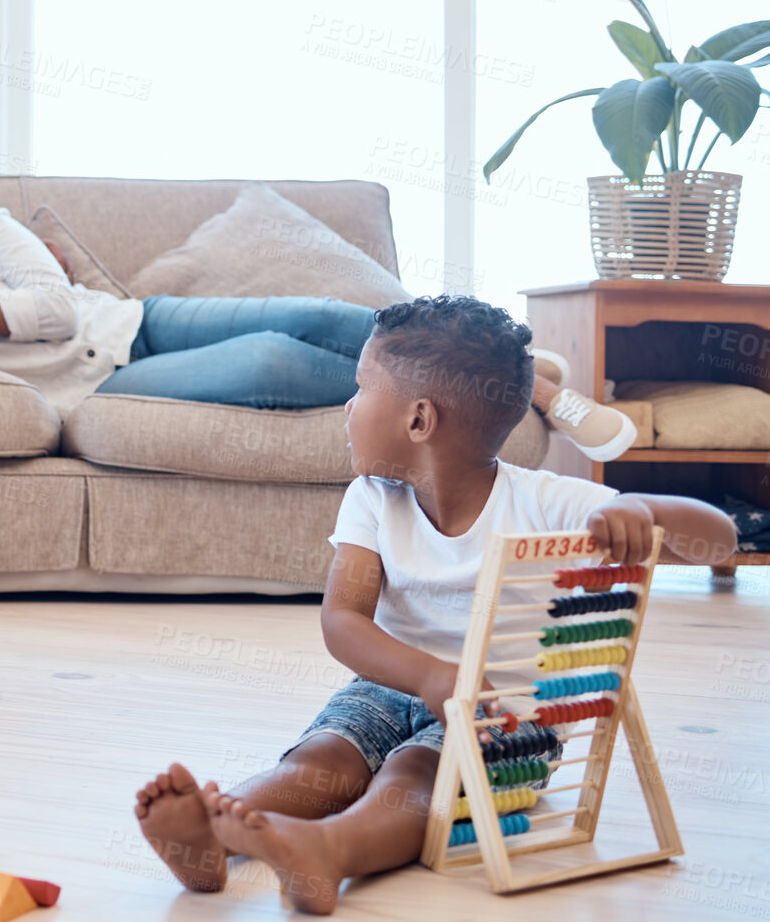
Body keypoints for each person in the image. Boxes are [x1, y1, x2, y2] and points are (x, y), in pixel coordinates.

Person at [130, 296, 736, 915]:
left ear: (418, 420)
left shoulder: (545, 500)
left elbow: (720, 538)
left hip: (504, 713)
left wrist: (643, 510)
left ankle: (331, 851)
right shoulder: (371, 497)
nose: (347, 406)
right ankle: (210, 832)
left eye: (362, 388)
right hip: (390, 687)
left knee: (414, 780)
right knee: (323, 760)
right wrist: (428, 678)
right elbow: (343, 622)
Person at [0, 144, 639, 460]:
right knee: (273, 362)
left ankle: (519, 369)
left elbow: (54, 312)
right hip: (93, 386)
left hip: (135, 321)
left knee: (327, 316)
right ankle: (511, 382)